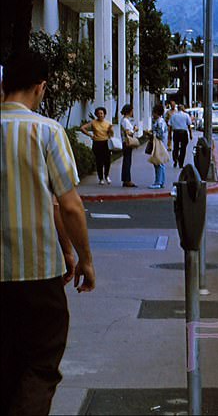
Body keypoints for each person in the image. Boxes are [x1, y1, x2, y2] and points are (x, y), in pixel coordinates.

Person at [1, 50, 96, 416]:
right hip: (37, 273)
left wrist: (68, 250)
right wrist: (81, 258)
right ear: (41, 88)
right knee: (40, 364)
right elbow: (67, 205)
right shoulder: (47, 132)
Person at [80, 107, 114, 185]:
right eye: (98, 113)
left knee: (107, 161)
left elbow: (111, 135)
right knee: (99, 161)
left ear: (104, 114)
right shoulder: (93, 122)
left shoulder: (108, 123)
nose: (100, 115)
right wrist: (90, 135)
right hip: (97, 143)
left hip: (106, 143)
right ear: (96, 114)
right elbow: (82, 128)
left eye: (101, 113)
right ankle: (101, 178)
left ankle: (107, 176)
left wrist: (110, 130)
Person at [149, 103, 169, 189]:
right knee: (159, 163)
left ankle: (158, 182)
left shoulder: (160, 122)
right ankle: (160, 181)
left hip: (159, 144)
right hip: (159, 143)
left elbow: (160, 134)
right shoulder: (159, 121)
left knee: (158, 163)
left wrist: (151, 133)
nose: (153, 114)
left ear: (157, 113)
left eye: (154, 112)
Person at [119, 104, 139, 188]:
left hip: (125, 142)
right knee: (127, 161)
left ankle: (125, 179)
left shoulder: (124, 120)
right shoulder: (125, 121)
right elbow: (128, 133)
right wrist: (134, 130)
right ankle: (127, 180)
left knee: (126, 161)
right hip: (127, 142)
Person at [168, 103, 192, 169]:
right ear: (182, 108)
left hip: (176, 133)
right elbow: (189, 125)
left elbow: (169, 126)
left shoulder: (173, 116)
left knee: (175, 147)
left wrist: (169, 135)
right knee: (183, 148)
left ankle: (175, 159)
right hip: (183, 132)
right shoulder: (186, 115)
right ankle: (181, 163)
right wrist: (191, 135)